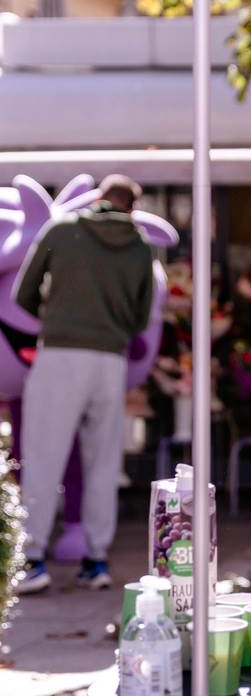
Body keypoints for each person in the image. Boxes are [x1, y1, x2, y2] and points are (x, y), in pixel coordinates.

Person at [14, 174, 156, 593]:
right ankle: (96, 561)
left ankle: (33, 558)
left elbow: (23, 293)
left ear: (98, 199)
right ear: (132, 206)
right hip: (109, 359)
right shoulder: (141, 246)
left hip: (58, 352)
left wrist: (57, 316)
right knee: (103, 460)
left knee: (43, 456)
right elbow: (141, 315)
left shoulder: (62, 229)